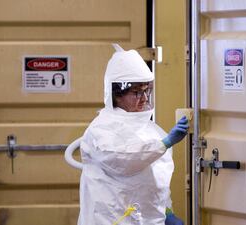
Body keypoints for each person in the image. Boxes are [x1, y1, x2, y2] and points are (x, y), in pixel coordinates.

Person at [78, 44, 188, 225]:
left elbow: (156, 180)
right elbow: (123, 159)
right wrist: (165, 143)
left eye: (146, 91)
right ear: (116, 95)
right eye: (137, 92)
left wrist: (166, 211)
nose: (144, 98)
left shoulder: (150, 129)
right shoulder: (101, 130)